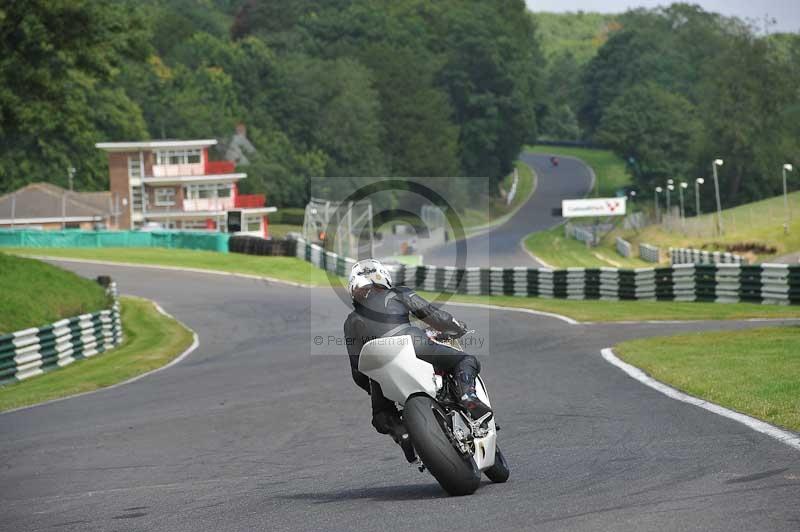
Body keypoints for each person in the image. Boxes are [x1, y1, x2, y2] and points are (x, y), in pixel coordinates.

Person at [343, 259, 491, 439]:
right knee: (466, 359)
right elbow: (437, 317)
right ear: (382, 277)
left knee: (381, 414)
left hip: (378, 368)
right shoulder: (398, 293)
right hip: (413, 343)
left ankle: (402, 434)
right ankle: (467, 395)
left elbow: (357, 371)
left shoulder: (350, 322)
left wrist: (375, 388)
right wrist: (457, 327)